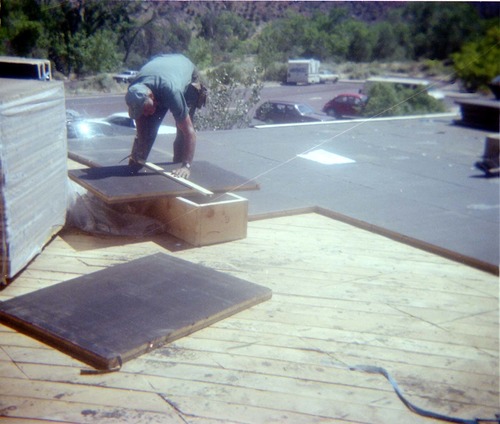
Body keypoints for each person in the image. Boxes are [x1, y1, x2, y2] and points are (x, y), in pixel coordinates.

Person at [125, 54, 206, 179]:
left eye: (146, 110)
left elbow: (190, 133)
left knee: (181, 135)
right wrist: (139, 150)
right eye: (143, 111)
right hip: (163, 72)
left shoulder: (172, 92)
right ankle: (137, 162)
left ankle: (181, 169)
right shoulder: (135, 90)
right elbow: (141, 123)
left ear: (152, 96)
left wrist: (186, 166)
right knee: (147, 133)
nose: (146, 114)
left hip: (186, 74)